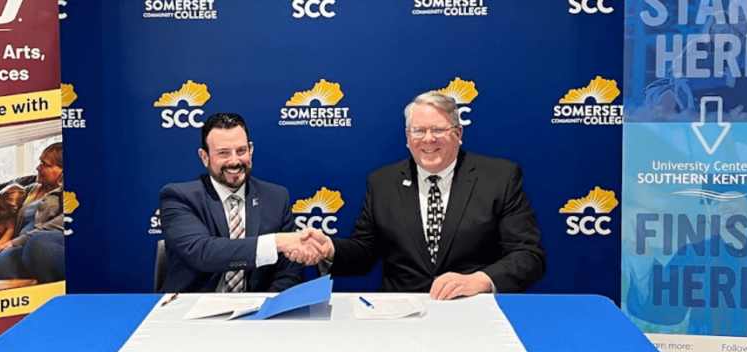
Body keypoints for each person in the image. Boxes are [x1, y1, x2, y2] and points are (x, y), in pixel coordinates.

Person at [302, 92, 545, 299]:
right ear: (408, 137)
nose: (428, 138)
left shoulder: (499, 178)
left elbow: (528, 255)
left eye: (438, 129)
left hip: (472, 309)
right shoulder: (383, 183)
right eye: (418, 130)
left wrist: (479, 281)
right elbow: (365, 252)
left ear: (458, 133)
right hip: (401, 315)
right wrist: (331, 249)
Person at [159, 113, 314, 293]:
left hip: (256, 312)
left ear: (251, 150)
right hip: (188, 311)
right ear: (204, 157)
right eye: (223, 153)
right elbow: (204, 253)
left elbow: (289, 272)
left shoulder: (277, 197)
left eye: (241, 151)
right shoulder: (178, 197)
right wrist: (276, 242)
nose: (234, 161)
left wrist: (266, 308)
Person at [625, 186, 747, 338]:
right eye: (716, 204)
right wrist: (643, 259)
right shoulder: (693, 255)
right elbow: (667, 308)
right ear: (711, 215)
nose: (724, 205)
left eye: (732, 200)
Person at [0, 142, 65, 283]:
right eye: (39, 162)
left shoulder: (67, 193)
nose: (38, 167)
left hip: (46, 242)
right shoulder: (32, 189)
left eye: (45, 164)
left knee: (37, 244)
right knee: (1, 262)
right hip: (21, 245)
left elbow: (64, 221)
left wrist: (17, 241)